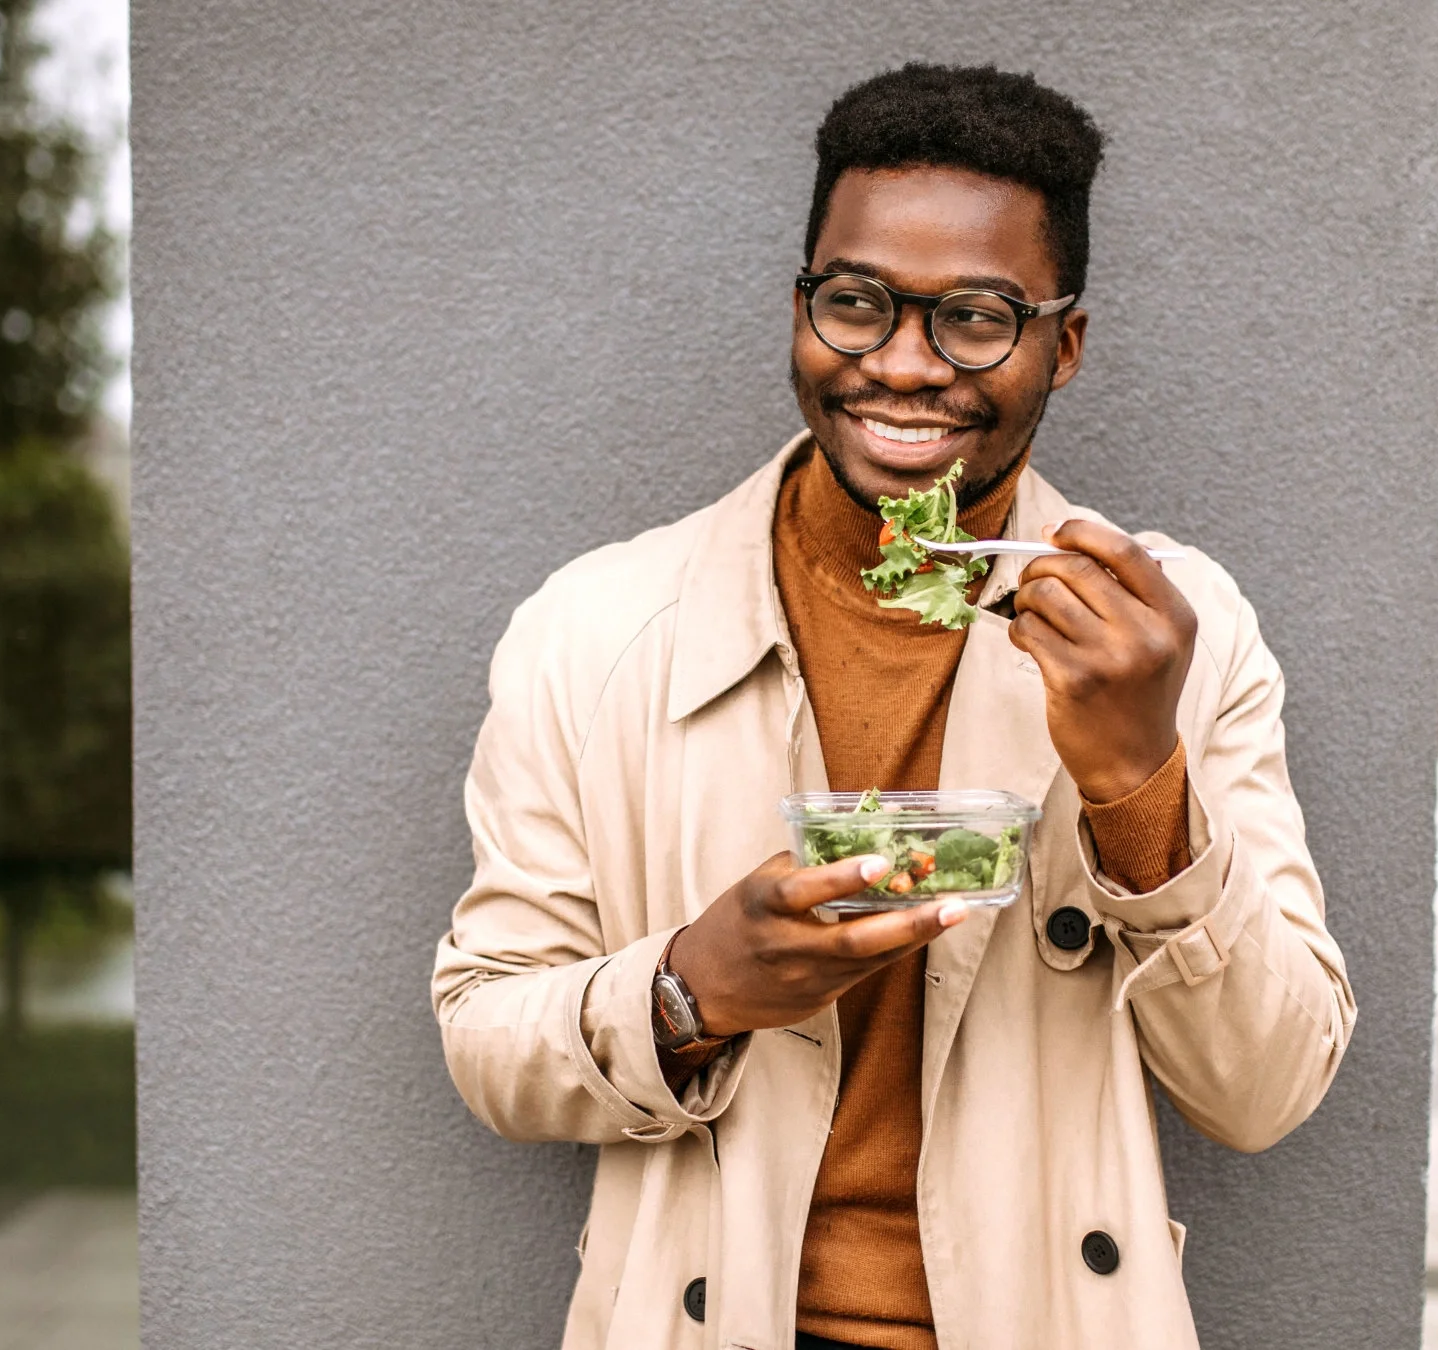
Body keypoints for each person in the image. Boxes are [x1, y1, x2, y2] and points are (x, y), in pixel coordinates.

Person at [432, 63, 1353, 1350]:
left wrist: (1140, 778)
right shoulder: (592, 633)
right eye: (856, 303)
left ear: (1063, 344)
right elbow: (486, 1033)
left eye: (976, 317)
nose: (903, 367)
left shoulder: (1176, 632)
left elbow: (1266, 1088)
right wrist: (693, 989)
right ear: (802, 306)